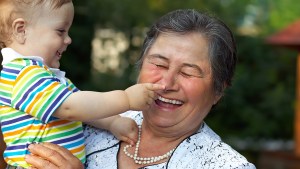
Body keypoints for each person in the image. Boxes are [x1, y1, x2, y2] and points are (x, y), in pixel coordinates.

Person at [24, 9, 257, 168]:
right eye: (159, 64)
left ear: (218, 90)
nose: (166, 84)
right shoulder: (86, 120)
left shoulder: (226, 165)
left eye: (188, 72)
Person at [0, 0, 165, 168]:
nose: (68, 39)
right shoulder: (23, 76)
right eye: (60, 31)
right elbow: (72, 108)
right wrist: (126, 99)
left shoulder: (45, 76)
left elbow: (85, 108)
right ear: (21, 30)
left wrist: (112, 122)